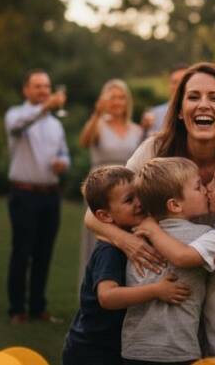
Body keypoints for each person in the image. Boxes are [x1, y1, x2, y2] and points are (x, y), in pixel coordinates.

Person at [84, 62, 215, 282]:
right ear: (180, 112)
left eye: (214, 98)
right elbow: (94, 214)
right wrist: (127, 242)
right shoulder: (155, 150)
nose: (203, 105)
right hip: (168, 288)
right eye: (193, 97)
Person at [122, 157, 215, 364]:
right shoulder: (211, 233)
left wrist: (152, 229)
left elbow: (183, 256)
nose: (207, 188)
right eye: (199, 186)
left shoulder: (139, 237)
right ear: (175, 205)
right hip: (210, 343)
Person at [62, 166, 191, 365]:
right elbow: (107, 297)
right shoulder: (110, 251)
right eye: (129, 200)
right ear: (105, 216)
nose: (139, 202)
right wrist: (157, 290)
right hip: (92, 350)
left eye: (139, 194)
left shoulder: (140, 234)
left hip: (115, 346)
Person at [4, 69, 71, 324]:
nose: (44, 91)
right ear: (26, 90)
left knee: (45, 253)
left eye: (47, 86)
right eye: (38, 86)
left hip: (51, 196)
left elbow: (65, 153)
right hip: (24, 194)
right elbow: (17, 126)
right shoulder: (16, 115)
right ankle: (16, 309)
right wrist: (45, 108)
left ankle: (37, 307)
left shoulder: (56, 124)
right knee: (22, 252)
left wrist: (63, 163)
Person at [78, 79, 144, 286]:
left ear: (127, 101)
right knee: (98, 237)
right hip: (100, 187)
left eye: (121, 97)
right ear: (104, 100)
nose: (117, 101)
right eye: (113, 97)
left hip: (127, 190)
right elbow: (84, 142)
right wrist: (96, 114)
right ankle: (92, 287)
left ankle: (122, 286)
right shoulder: (97, 124)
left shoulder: (136, 129)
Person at [141, 64, 188, 137]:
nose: (178, 86)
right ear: (169, 85)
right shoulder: (154, 114)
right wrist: (144, 130)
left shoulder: (199, 112)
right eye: (175, 82)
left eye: (183, 82)